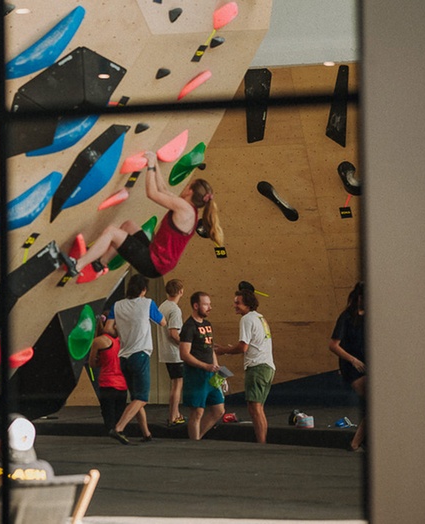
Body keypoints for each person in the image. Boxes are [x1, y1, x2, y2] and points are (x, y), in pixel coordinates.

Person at [73, 154, 223, 282]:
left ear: (190, 191)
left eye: (188, 185)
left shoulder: (185, 209)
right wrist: (155, 163)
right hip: (156, 256)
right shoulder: (188, 209)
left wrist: (150, 167)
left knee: (111, 232)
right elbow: (163, 190)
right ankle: (100, 263)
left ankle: (77, 266)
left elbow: (152, 193)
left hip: (153, 264)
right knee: (128, 226)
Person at [106, 274, 166, 445]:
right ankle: (118, 428)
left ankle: (146, 433)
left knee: (136, 398)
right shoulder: (147, 303)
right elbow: (162, 322)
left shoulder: (117, 306)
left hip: (123, 356)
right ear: (144, 290)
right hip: (140, 355)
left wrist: (120, 332)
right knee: (142, 398)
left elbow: (109, 328)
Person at [214, 289, 275, 444]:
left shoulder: (247, 319)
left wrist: (223, 351)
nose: (234, 305)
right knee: (257, 408)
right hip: (267, 366)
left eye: (238, 303)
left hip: (257, 367)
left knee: (255, 409)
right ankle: (262, 442)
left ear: (247, 305)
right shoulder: (260, 317)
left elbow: (243, 347)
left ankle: (262, 444)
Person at [179, 291, 224, 441]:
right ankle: (194, 442)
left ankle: (198, 438)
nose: (209, 307)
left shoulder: (207, 325)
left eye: (209, 304)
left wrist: (218, 371)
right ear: (196, 306)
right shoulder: (188, 327)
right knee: (197, 412)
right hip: (195, 374)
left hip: (210, 373)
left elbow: (211, 349)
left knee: (218, 410)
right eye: (206, 304)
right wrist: (204, 366)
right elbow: (184, 354)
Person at [328, 281, 366, 451]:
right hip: (353, 367)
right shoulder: (347, 317)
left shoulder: (369, 317)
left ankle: (358, 442)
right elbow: (333, 345)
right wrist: (352, 360)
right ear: (359, 298)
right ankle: (356, 442)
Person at [88, 315, 127, 433]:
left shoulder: (98, 341)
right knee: (119, 412)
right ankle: (119, 431)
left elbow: (92, 364)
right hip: (122, 382)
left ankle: (111, 430)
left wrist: (101, 361)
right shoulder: (122, 340)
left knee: (107, 411)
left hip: (107, 382)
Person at [158, 279, 186, 426]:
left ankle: (175, 414)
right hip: (175, 353)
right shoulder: (175, 309)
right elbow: (174, 334)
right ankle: (173, 415)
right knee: (177, 385)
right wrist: (185, 346)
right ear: (181, 291)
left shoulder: (162, 306)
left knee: (175, 384)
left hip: (165, 351)